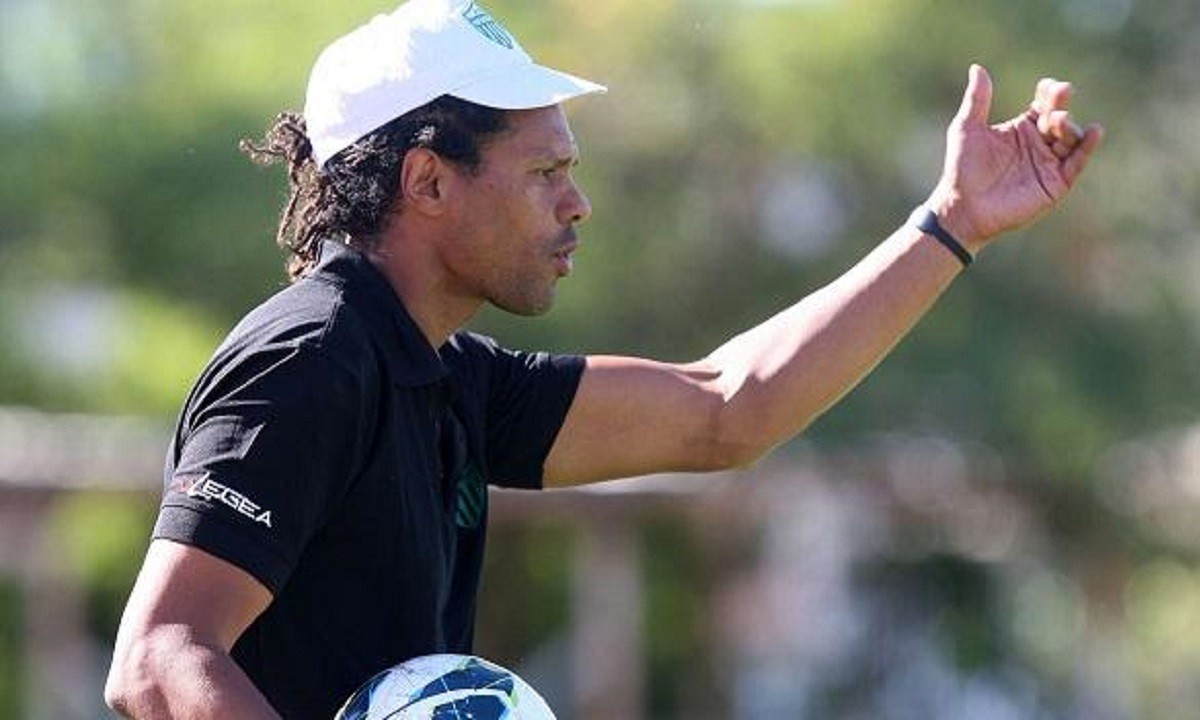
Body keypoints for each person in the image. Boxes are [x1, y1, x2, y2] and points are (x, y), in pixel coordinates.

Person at [104, 0, 1103, 718]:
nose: (576, 203)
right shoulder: (309, 360)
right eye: (546, 171)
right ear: (428, 181)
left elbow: (727, 410)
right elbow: (158, 657)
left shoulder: (447, 373)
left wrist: (953, 222)